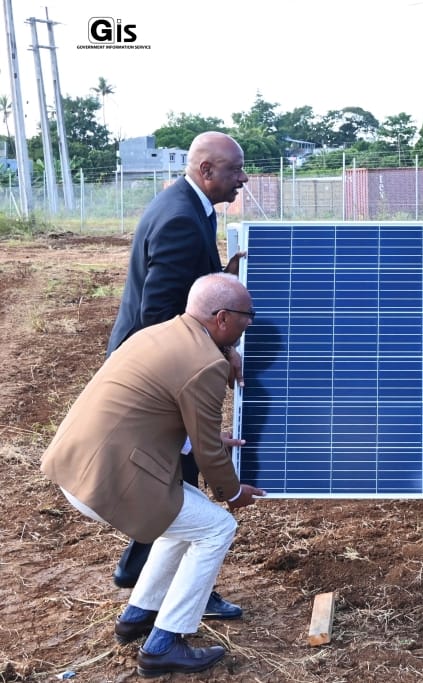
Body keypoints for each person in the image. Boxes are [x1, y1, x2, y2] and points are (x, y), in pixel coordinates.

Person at [41, 273, 266, 677]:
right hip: (108, 480)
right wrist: (232, 493)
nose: (250, 323)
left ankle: (138, 614)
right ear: (221, 318)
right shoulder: (205, 363)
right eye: (247, 317)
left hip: (81, 463)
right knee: (218, 527)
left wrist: (209, 438)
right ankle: (164, 643)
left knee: (185, 520)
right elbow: (208, 453)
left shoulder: (160, 334)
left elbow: (157, 410)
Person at [107, 131, 250, 622]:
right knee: (180, 483)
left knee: (174, 479)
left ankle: (139, 571)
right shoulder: (180, 221)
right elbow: (160, 312)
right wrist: (215, 351)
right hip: (158, 374)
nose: (243, 179)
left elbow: (189, 291)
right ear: (207, 171)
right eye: (235, 170)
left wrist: (221, 275)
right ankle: (180, 593)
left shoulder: (186, 206)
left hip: (159, 366)